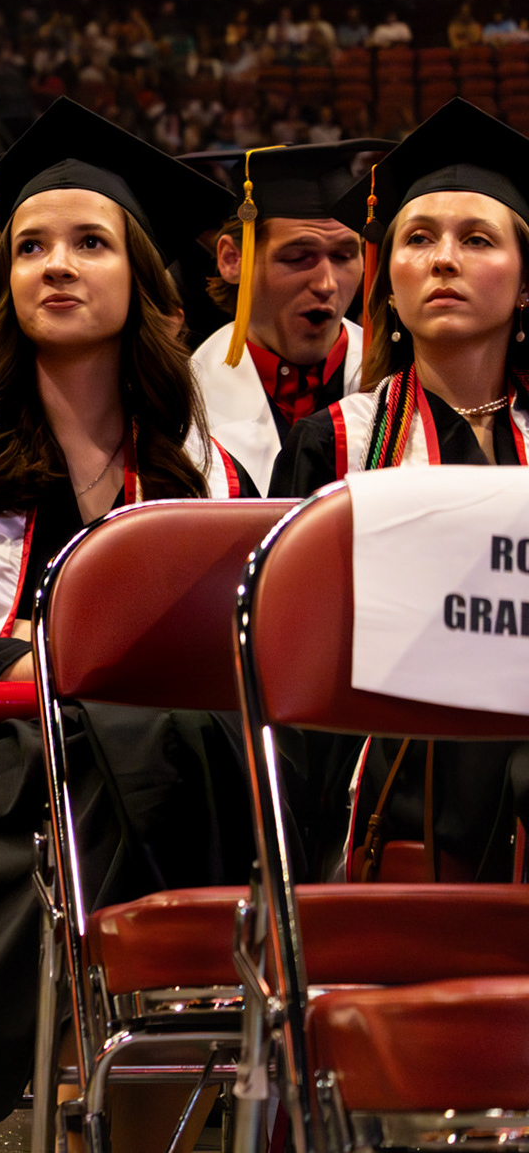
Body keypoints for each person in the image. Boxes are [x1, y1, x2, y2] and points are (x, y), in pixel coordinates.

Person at [0, 100, 252, 1130]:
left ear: (143, 278)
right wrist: (55, 664)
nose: (56, 265)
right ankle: (100, 1066)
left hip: (161, 782)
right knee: (100, 745)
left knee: (146, 745)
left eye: (90, 242)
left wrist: (65, 668)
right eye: (29, 247)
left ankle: (85, 1060)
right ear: (6, 285)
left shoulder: (208, 475)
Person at [273, 98, 529, 881]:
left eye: (475, 239)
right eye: (418, 239)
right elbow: (290, 669)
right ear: (390, 280)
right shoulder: (336, 443)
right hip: (382, 781)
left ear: (526, 286)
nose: (442, 258)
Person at [187, 141, 386, 483]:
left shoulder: (398, 386)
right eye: (297, 258)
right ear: (232, 259)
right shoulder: (180, 403)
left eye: (343, 256)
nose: (326, 283)